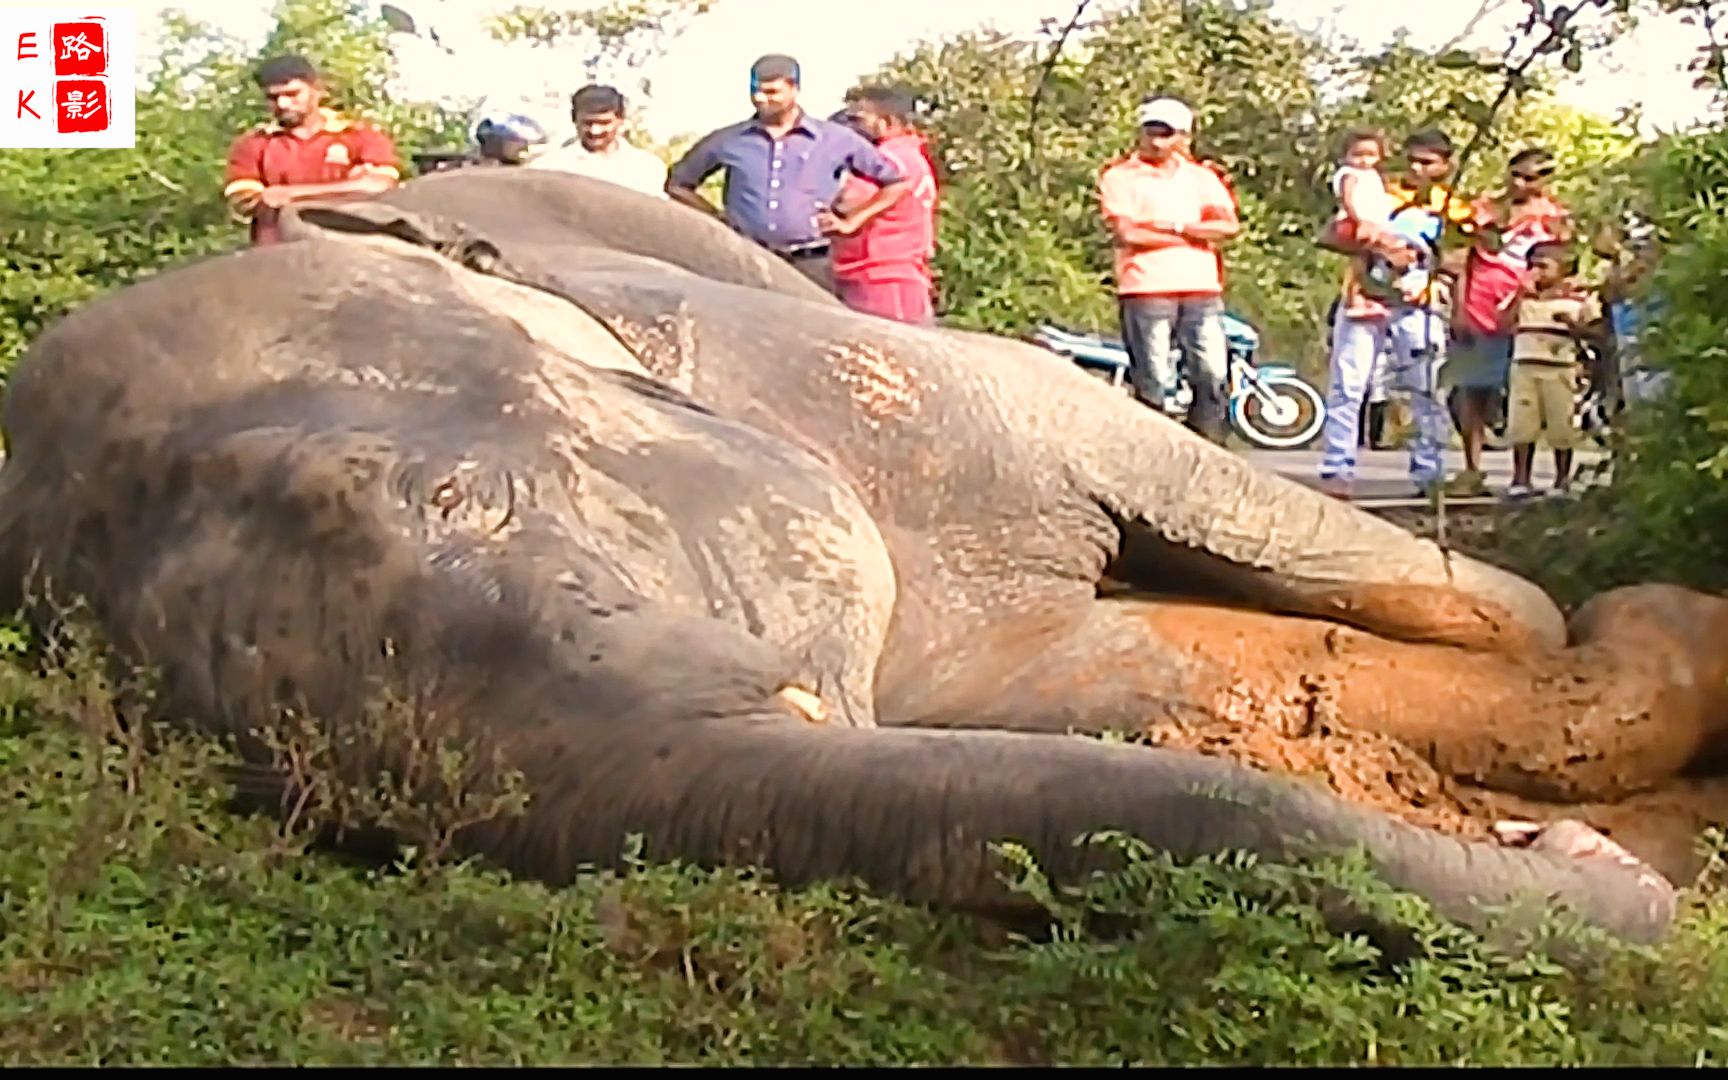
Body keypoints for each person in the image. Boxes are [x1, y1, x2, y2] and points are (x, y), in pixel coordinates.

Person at [665, 54, 911, 293]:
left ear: (794, 90)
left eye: (772, 92)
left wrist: (852, 222)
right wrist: (717, 218)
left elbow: (895, 183)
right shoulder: (729, 140)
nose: (761, 99)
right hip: (745, 258)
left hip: (810, 263)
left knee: (814, 330)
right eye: (756, 91)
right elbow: (677, 184)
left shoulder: (834, 139)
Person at [1315, 128, 1472, 498]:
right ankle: (1338, 468)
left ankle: (1429, 474)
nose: (1417, 168)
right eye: (1412, 160)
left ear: (1445, 166)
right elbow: (1331, 234)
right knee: (1348, 386)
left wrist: (1425, 266)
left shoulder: (1454, 208)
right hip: (1364, 298)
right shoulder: (1377, 193)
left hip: (1419, 303)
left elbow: (1461, 259)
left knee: (1426, 387)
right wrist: (1379, 245)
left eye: (1428, 162)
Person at [1096, 96, 1241, 443]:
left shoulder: (1202, 178)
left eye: (1166, 133)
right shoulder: (1120, 177)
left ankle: (1208, 448)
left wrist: (1172, 227)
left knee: (1212, 375)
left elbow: (1228, 227)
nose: (1156, 140)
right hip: (1146, 287)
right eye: (1151, 130)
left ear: (1182, 137)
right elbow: (1127, 233)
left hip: (1201, 288)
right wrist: (1195, 234)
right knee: (1154, 379)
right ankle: (1154, 452)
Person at [222, 54, 400, 247]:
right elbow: (246, 201)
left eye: (292, 94)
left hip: (354, 250)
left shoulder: (361, 136)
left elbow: (378, 187)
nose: (282, 104)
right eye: (273, 98)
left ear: (317, 90)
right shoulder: (252, 145)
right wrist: (350, 186)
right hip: (278, 256)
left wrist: (287, 194)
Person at [824, 85, 940, 324]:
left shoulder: (887, 159)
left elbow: (848, 201)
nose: (852, 127)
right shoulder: (911, 156)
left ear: (887, 122)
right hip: (895, 274)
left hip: (881, 275)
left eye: (858, 119)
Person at [1499, 240, 1602, 498]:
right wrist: (1520, 294)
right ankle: (1521, 478)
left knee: (1562, 425)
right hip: (1525, 365)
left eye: (1544, 267)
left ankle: (1562, 479)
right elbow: (1501, 323)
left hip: (1560, 367)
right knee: (1522, 425)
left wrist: (1573, 325)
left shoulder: (1577, 300)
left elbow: (1596, 331)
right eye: (1532, 266)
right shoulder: (1523, 299)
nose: (1537, 272)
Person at [527, 84, 669, 198]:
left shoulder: (647, 168)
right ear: (574, 119)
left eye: (604, 123)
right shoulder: (549, 168)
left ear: (620, 120)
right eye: (587, 123)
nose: (595, 131)